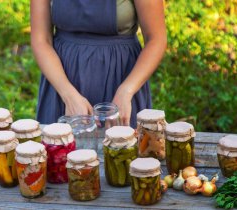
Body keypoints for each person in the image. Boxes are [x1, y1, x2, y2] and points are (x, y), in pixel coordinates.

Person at [31, 0, 166, 128]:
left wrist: (126, 91)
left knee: (122, 150)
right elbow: (41, 40)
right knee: (58, 149)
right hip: (61, 87)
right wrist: (68, 96)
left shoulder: (125, 92)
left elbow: (156, 39)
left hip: (123, 84)